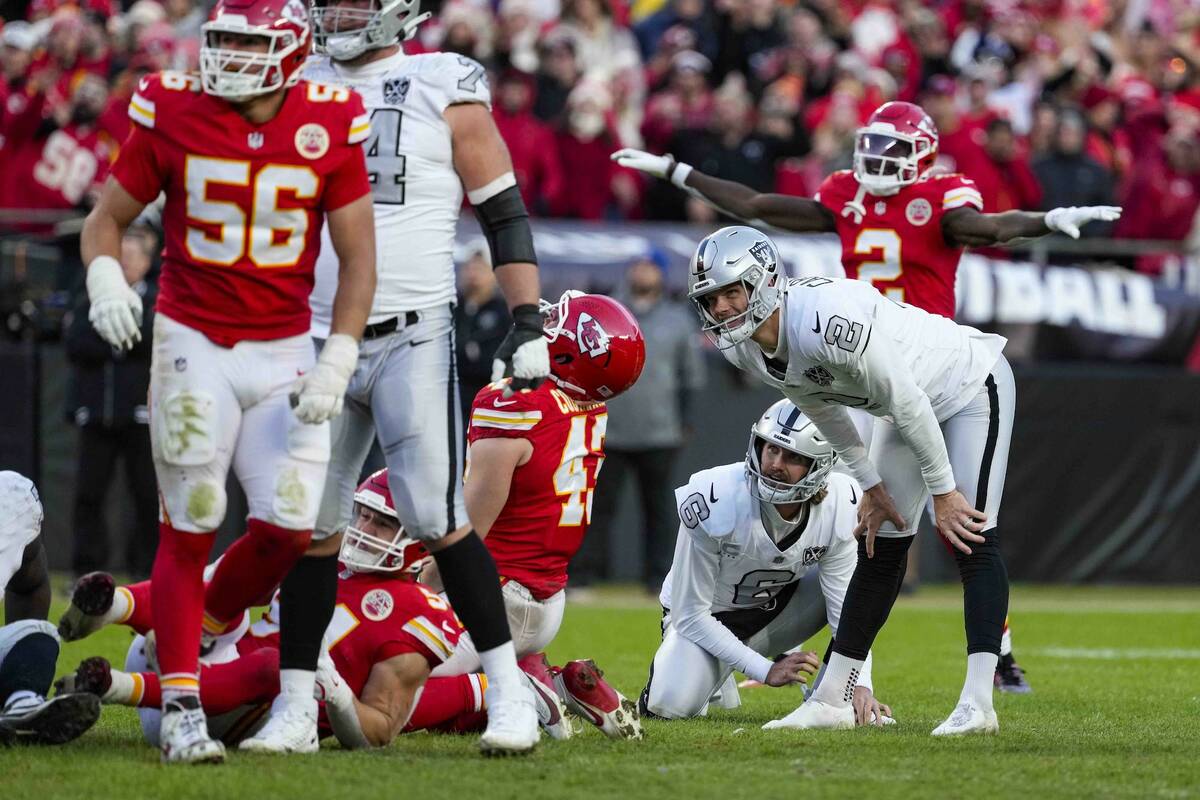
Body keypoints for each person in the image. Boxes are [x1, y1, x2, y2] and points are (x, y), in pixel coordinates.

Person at [614, 99, 1118, 688]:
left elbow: (987, 228)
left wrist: (1044, 221)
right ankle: (774, 650)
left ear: (923, 157)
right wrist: (679, 173)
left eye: (893, 149)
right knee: (860, 513)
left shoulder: (939, 200)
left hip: (918, 365)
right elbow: (754, 207)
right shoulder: (840, 203)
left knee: (952, 517)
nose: (878, 160)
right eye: (872, 146)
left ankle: (990, 654)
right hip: (847, 371)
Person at [78, 0, 377, 764]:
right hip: (193, 340)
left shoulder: (331, 118)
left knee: (287, 529)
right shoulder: (173, 109)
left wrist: (340, 353)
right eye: (222, 42)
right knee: (192, 521)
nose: (229, 58)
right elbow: (105, 220)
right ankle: (180, 704)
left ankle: (204, 618)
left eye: (248, 43)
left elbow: (358, 259)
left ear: (290, 51)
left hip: (284, 347)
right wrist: (106, 278)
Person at [253, 0, 550, 757]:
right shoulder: (294, 78)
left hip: (410, 330)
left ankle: (510, 694)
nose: (337, 15)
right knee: (312, 530)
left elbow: (504, 212)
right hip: (315, 334)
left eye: (354, 1)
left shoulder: (439, 80)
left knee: (438, 517)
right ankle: (294, 707)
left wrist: (526, 319)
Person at [678, 225, 1014, 736]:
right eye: (712, 297)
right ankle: (833, 698)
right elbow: (821, 405)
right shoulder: (744, 347)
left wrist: (943, 493)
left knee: (968, 535)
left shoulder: (824, 319)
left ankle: (978, 703)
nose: (722, 307)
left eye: (732, 292)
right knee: (881, 543)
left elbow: (907, 400)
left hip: (967, 383)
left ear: (765, 282)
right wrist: (871, 484)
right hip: (902, 408)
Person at [453, 291, 647, 739]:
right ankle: (554, 679)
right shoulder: (591, 405)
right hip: (546, 598)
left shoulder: (514, 404)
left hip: (495, 594)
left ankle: (525, 690)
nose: (547, 322)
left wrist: (418, 588)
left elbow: (468, 532)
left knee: (394, 684)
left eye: (558, 321)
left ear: (570, 351)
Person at [641, 400, 890, 727]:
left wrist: (857, 681)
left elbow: (849, 610)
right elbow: (690, 615)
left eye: (794, 457)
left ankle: (830, 697)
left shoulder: (840, 503)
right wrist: (763, 668)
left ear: (821, 465)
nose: (775, 464)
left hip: (775, 609)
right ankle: (712, 668)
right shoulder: (715, 497)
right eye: (771, 449)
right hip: (704, 618)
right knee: (667, 703)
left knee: (869, 589)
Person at [580, 251, 706, 591]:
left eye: (650, 266)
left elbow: (690, 375)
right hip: (612, 427)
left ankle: (659, 578)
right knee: (599, 506)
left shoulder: (678, 319)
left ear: (662, 275)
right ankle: (584, 575)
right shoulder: (609, 314)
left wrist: (686, 419)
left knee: (659, 509)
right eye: (637, 265)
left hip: (660, 429)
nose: (643, 272)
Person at [65, 224, 159, 578]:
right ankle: (86, 571)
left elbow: (150, 340)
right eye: (121, 256)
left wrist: (117, 341)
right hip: (98, 413)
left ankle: (145, 572)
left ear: (147, 263)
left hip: (140, 416)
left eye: (133, 256)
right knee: (89, 496)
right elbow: (76, 340)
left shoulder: (156, 299)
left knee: (146, 497)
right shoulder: (94, 297)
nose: (125, 263)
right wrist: (118, 343)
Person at [0, 471, 101, 745]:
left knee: (38, 635)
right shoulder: (11, 498)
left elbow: (32, 583)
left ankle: (22, 702)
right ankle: (22, 700)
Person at [456, 248, 511, 426]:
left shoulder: (502, 313)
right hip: (449, 396)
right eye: (469, 267)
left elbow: (493, 362)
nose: (473, 273)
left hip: (484, 401)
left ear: (493, 274)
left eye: (480, 268)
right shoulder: (451, 308)